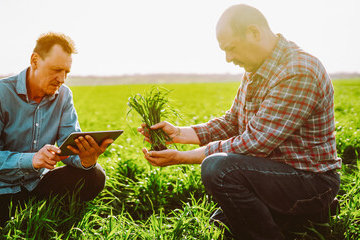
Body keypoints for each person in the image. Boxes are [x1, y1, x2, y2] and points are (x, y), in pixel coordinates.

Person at [138, 4, 341, 240]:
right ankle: (309, 216)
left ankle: (297, 216)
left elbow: (255, 143)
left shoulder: (298, 70)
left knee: (219, 170)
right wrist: (179, 133)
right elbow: (232, 122)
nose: (228, 58)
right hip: (278, 174)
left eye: (231, 48)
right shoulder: (256, 68)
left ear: (254, 33)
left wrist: (181, 157)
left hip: (310, 181)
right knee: (223, 221)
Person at [0, 32, 114, 237]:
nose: (62, 78)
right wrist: (32, 159)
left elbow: (70, 145)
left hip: (38, 184)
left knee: (94, 175)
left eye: (67, 71)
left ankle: (50, 212)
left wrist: (86, 159)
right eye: (56, 70)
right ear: (35, 61)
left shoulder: (64, 95)